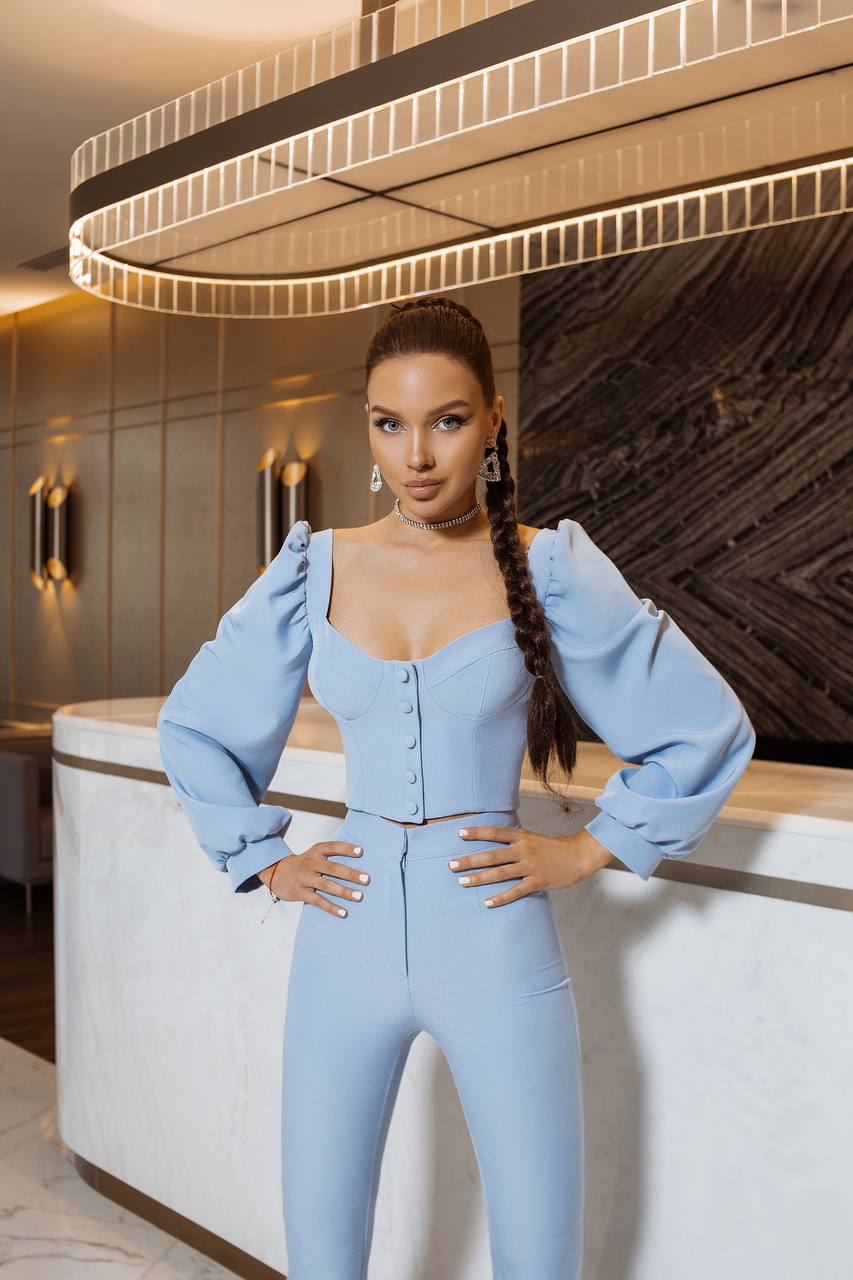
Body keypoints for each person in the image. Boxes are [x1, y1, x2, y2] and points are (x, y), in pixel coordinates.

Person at [157, 295, 756, 1279]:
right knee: (321, 1243)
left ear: (491, 421)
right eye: (388, 423)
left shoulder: (548, 567)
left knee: (535, 1247)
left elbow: (703, 726)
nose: (417, 455)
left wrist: (587, 847)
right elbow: (195, 724)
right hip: (341, 935)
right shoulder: (315, 566)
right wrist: (263, 856)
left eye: (445, 418)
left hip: (493, 931)